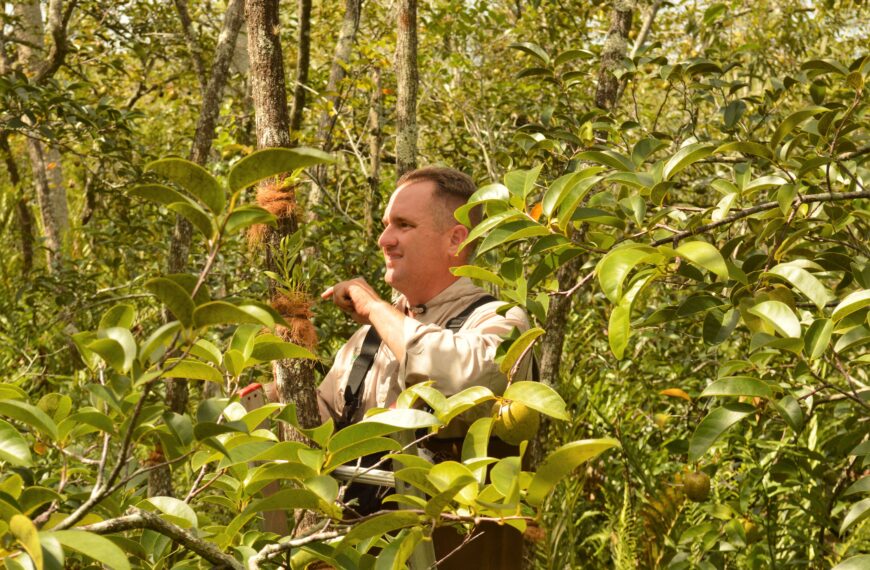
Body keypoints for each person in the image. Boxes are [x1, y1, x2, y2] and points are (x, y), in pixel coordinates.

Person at [318, 166, 530, 568]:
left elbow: (463, 378)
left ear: (455, 239)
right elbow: (316, 431)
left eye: (403, 225)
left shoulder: (501, 321)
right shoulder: (367, 340)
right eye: (385, 225)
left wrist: (376, 307)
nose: (384, 240)